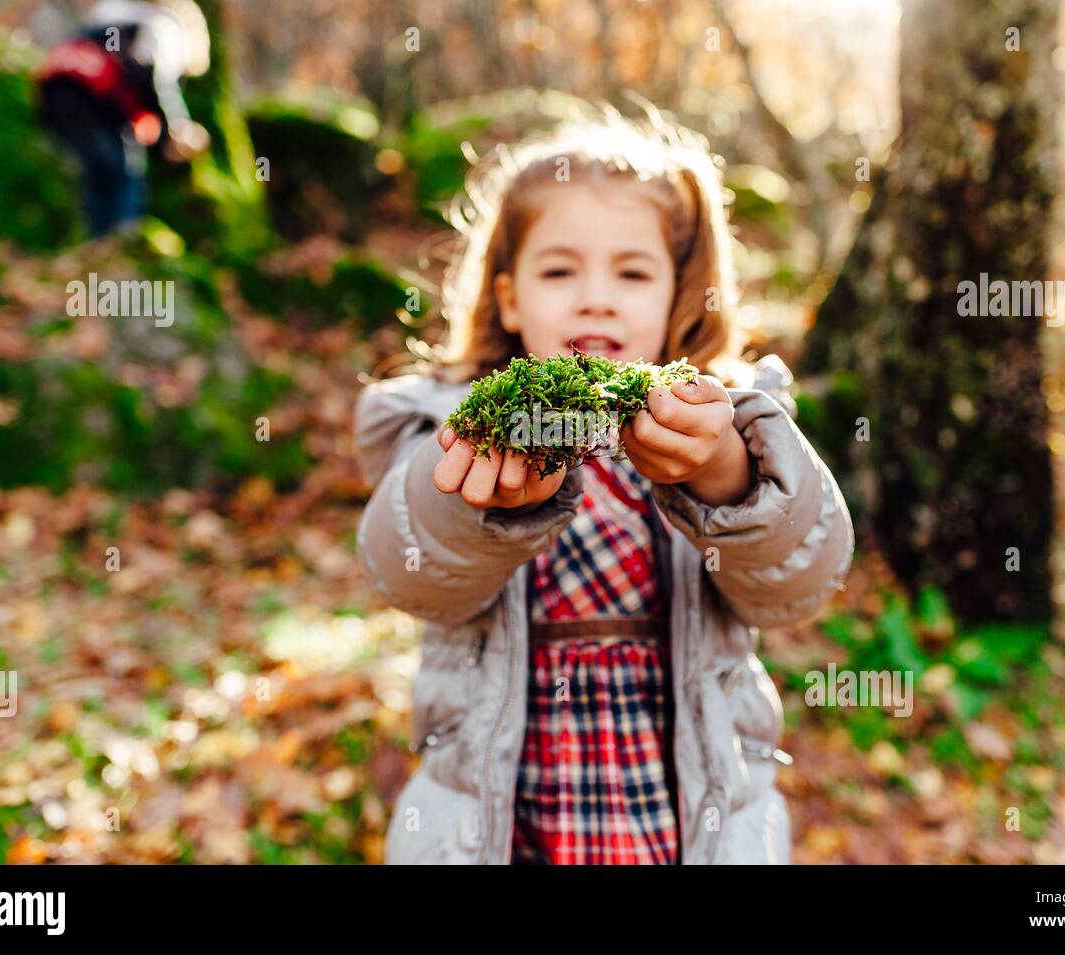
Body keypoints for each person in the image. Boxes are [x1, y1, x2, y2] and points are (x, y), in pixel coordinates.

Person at [352, 108, 854, 864]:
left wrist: (725, 477)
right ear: (510, 297)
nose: (596, 298)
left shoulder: (732, 423)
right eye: (559, 270)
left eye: (632, 272)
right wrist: (475, 506)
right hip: (498, 830)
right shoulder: (441, 423)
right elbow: (405, 570)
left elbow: (799, 584)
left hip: (686, 829)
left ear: (678, 294)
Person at [35, 0, 211, 236]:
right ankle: (124, 240)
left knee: (96, 173)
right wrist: (177, 127)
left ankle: (97, 241)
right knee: (125, 173)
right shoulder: (162, 25)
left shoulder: (110, 10)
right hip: (96, 100)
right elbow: (157, 82)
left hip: (57, 93)